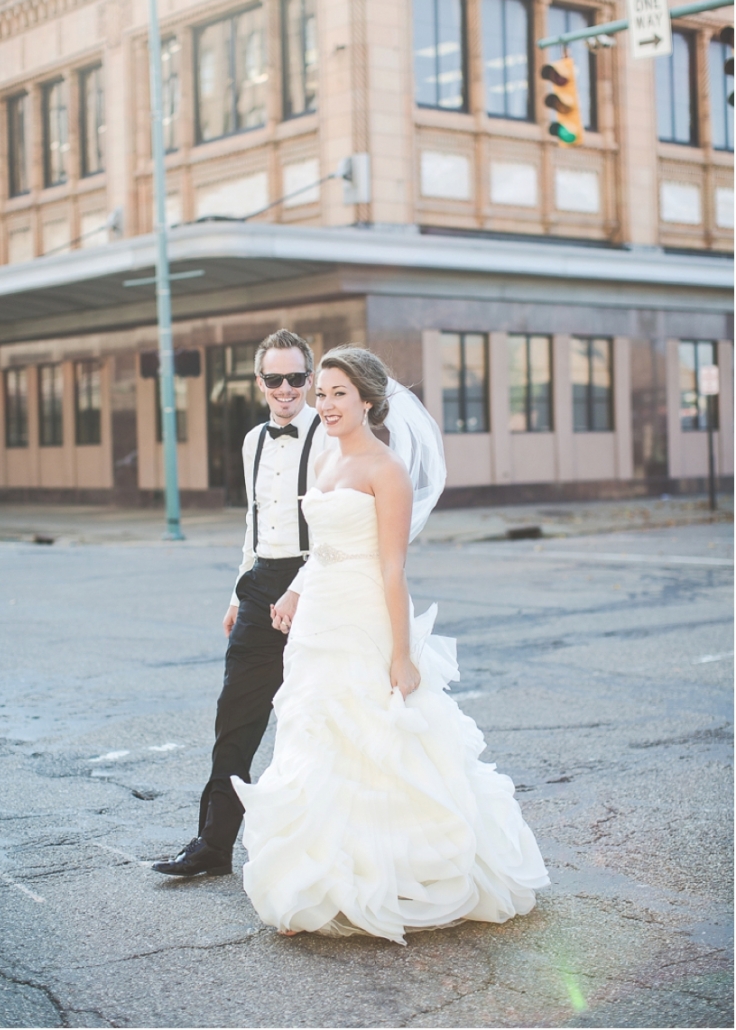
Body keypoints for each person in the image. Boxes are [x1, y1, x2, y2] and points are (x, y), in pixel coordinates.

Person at [233, 346, 549, 943]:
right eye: (319, 393)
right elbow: (321, 547)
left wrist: (401, 655)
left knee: (373, 742)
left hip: (364, 617)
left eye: (337, 394)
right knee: (318, 738)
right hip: (318, 617)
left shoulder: (387, 470)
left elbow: (392, 570)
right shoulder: (324, 457)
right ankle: (324, 877)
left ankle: (395, 875)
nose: (323, 405)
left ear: (369, 400)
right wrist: (296, 591)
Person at [152, 330, 330, 877]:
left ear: (310, 379)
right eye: (274, 379)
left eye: (296, 378)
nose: (285, 389)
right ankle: (213, 845)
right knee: (235, 719)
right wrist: (239, 591)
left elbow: (335, 531)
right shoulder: (254, 440)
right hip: (260, 586)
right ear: (259, 383)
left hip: (319, 585)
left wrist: (299, 589)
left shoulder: (329, 437)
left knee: (325, 723)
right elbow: (253, 525)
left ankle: (332, 851)